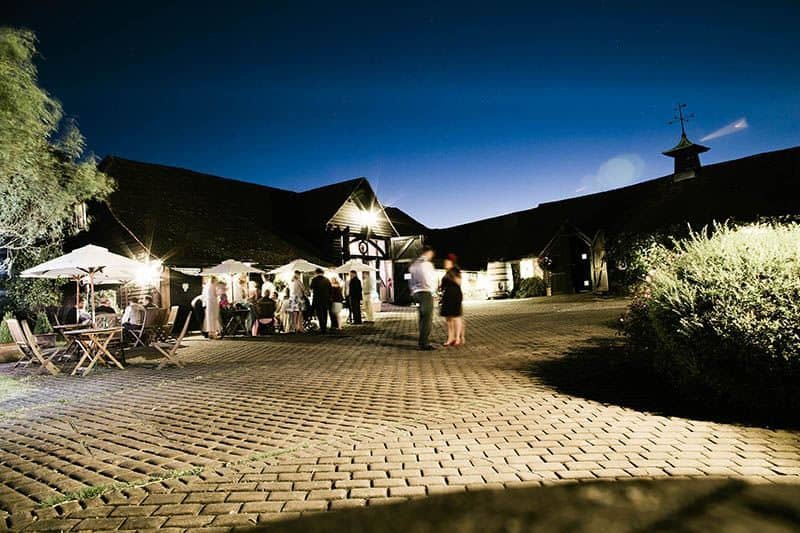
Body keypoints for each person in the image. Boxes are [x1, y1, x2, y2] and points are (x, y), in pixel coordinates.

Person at [409, 245, 437, 350]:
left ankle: (422, 341)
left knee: (421, 317)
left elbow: (410, 280)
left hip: (416, 294)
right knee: (427, 318)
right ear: (427, 253)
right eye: (431, 254)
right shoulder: (427, 264)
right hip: (425, 293)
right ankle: (424, 343)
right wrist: (433, 291)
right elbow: (429, 279)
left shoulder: (413, 265)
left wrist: (412, 292)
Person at [440, 266, 464, 346]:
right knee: (448, 319)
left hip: (456, 295)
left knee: (456, 317)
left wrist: (452, 275)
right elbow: (442, 286)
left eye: (447, 262)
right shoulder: (446, 274)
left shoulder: (455, 271)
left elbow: (459, 282)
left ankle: (457, 338)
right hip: (447, 296)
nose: (445, 264)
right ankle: (450, 338)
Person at [309, 268, 332, 334]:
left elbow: (311, 288)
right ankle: (324, 327)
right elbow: (330, 290)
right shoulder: (327, 280)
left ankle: (322, 328)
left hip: (317, 299)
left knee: (320, 314)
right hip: (326, 300)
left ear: (316, 273)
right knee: (325, 313)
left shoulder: (314, 280)